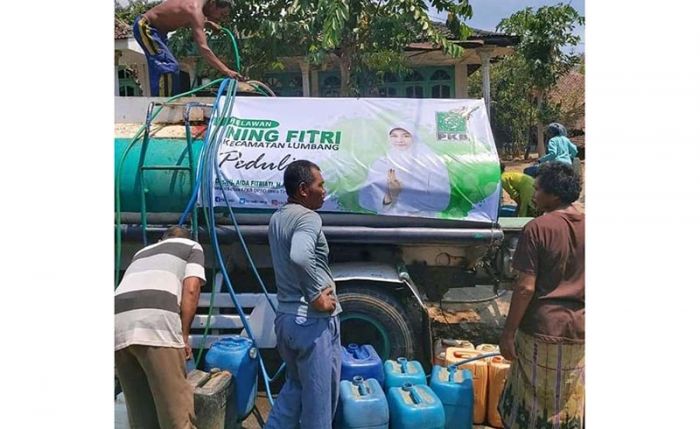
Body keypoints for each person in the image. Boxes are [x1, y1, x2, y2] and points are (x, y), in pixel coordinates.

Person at [497, 162, 585, 429]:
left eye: (537, 189)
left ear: (554, 195)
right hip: (578, 332)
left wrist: (508, 333)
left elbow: (525, 288)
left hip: (541, 330)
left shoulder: (537, 228)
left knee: (530, 408)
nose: (533, 195)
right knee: (566, 404)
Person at [265, 160, 342, 429]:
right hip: (311, 323)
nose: (324, 191)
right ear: (303, 190)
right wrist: (315, 296)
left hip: (286, 319)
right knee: (319, 404)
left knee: (295, 389)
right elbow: (299, 256)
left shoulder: (278, 217)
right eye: (320, 185)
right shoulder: (308, 217)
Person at [115, 226, 207, 429]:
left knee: (142, 417)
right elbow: (191, 290)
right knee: (177, 417)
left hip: (117, 324)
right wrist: (183, 337)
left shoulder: (142, 252)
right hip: (155, 322)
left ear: (161, 239)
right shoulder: (192, 246)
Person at [132, 0, 244, 97]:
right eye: (222, 14)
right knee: (168, 67)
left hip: (158, 33)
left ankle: (163, 102)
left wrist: (206, 24)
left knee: (165, 68)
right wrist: (226, 70)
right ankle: (162, 107)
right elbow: (204, 48)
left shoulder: (196, 7)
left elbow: (180, 18)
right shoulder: (195, 10)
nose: (221, 19)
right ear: (213, 4)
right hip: (146, 27)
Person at [358, 125, 451, 216]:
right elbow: (366, 201)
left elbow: (441, 201)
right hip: (389, 224)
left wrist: (401, 196)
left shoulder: (432, 163)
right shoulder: (381, 164)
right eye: (394, 136)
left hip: (422, 223)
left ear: (414, 137)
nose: (399, 140)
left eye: (406, 136)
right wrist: (390, 195)